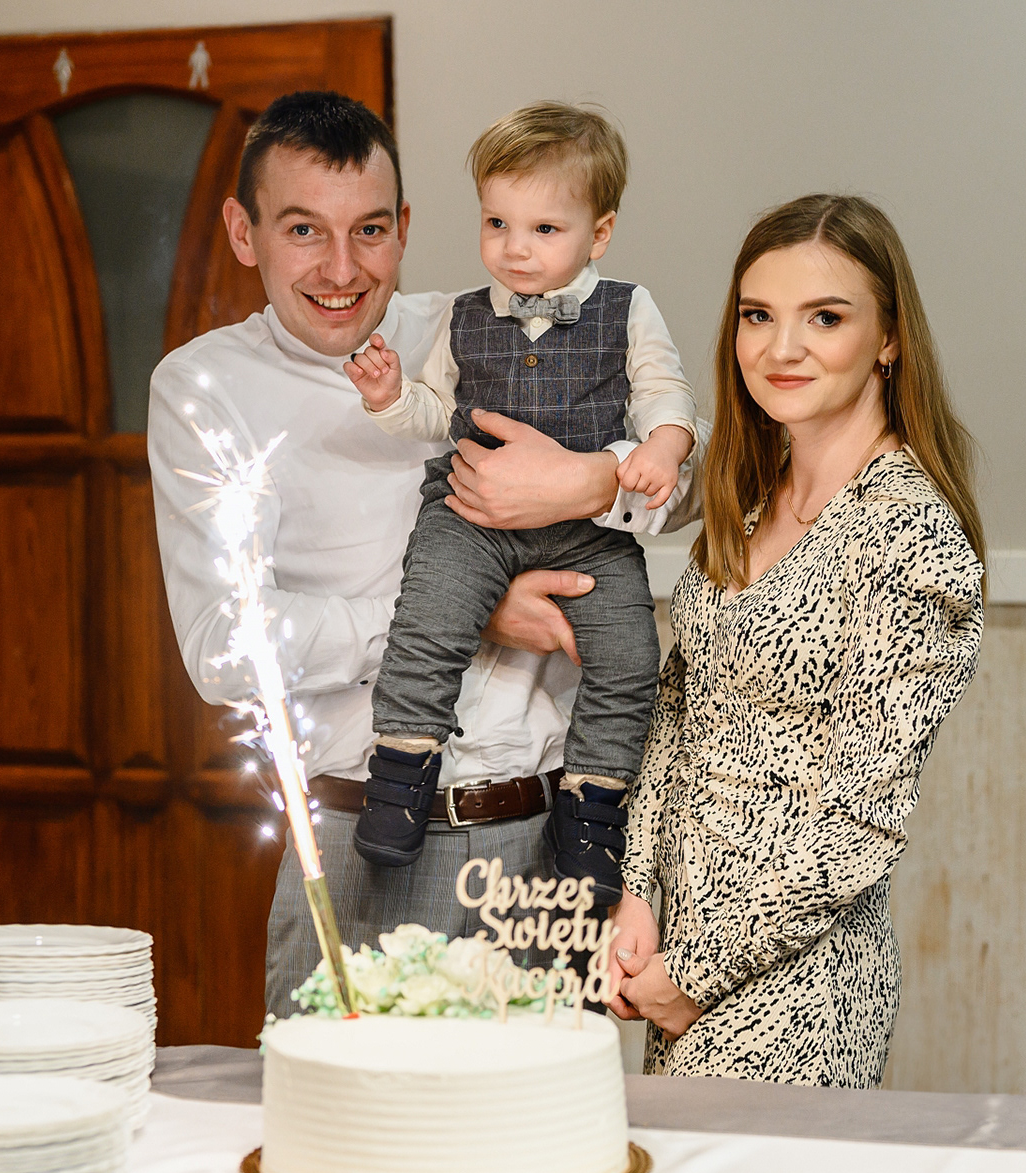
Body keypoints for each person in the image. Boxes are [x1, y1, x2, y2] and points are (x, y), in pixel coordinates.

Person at [145, 92, 700, 1022]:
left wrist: (590, 480)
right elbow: (224, 648)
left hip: (544, 838)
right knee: (343, 1112)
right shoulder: (204, 387)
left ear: (403, 228)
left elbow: (699, 479)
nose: (341, 268)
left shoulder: (477, 327)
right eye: (302, 230)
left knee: (547, 1115)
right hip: (357, 838)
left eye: (369, 230)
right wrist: (466, 618)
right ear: (245, 233)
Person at [608, 194, 986, 1088]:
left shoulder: (907, 533)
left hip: (799, 988)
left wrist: (694, 977)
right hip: (675, 950)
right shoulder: (750, 494)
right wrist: (637, 892)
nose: (781, 349)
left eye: (824, 318)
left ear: (889, 339)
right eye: (758, 316)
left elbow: (862, 817)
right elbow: (682, 708)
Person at [341, 102, 700, 900]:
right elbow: (437, 414)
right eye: (497, 223)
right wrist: (391, 396)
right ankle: (401, 768)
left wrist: (663, 445)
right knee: (429, 615)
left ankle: (593, 806)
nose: (514, 247)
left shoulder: (629, 307)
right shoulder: (465, 316)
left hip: (588, 533)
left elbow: (663, 390)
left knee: (629, 655)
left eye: (544, 229)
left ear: (598, 234)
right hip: (471, 514)